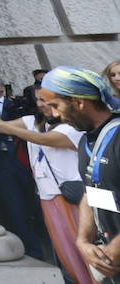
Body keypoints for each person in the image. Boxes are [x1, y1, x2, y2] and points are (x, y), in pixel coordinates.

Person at [0, 87, 90, 284]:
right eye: (38, 100)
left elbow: (42, 139)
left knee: (82, 247)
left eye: (46, 100)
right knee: (64, 251)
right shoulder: (32, 121)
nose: (41, 105)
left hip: (70, 196)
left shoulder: (74, 128)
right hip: (46, 195)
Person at [36, 67, 120, 281]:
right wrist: (83, 241)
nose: (55, 114)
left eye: (56, 105)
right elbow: (91, 192)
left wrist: (115, 249)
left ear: (79, 102)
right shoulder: (86, 141)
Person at [0, 72, 44, 258]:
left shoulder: (16, 104)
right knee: (14, 207)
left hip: (22, 161)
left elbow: (28, 128)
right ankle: (31, 249)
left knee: (34, 205)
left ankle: (45, 244)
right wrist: (9, 131)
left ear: (1, 86)